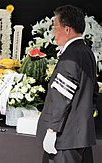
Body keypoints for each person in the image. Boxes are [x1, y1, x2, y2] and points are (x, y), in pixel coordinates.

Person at [36, 4, 99, 163]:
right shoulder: (87, 53)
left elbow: (62, 97)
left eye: (55, 28)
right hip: (80, 135)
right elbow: (94, 91)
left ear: (67, 29)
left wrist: (52, 130)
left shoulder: (70, 57)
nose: (54, 34)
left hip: (65, 138)